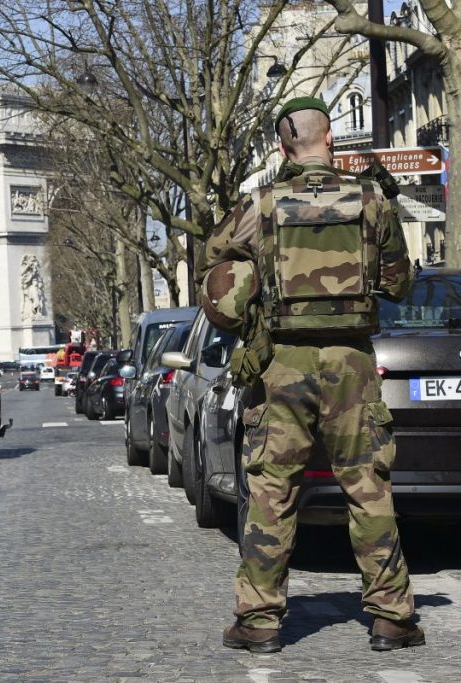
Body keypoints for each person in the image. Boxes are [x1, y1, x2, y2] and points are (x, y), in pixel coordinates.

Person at [200, 97, 423, 653]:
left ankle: (259, 622)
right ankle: (392, 616)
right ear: (331, 139)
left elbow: (214, 260)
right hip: (351, 361)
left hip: (281, 362)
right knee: (367, 486)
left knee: (271, 489)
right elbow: (398, 284)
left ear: (282, 147)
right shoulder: (372, 199)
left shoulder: (261, 204)